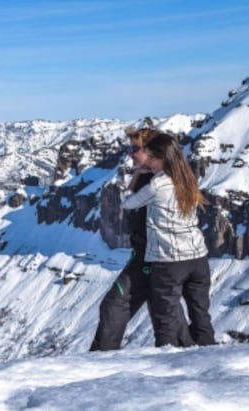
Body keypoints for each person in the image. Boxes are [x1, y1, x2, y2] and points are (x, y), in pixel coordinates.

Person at [121, 133, 216, 347]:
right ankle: (210, 357)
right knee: (201, 315)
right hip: (198, 259)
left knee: (166, 318)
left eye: (151, 158)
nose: (149, 163)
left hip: (169, 261)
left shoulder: (157, 185)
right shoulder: (187, 178)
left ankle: (166, 367)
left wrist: (138, 172)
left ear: (161, 157)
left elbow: (128, 203)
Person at [90, 126, 158, 351]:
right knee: (164, 315)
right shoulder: (146, 177)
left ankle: (101, 360)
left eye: (135, 148)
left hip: (149, 258)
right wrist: (139, 173)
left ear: (151, 150)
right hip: (143, 254)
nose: (130, 153)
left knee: (114, 305)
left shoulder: (159, 182)